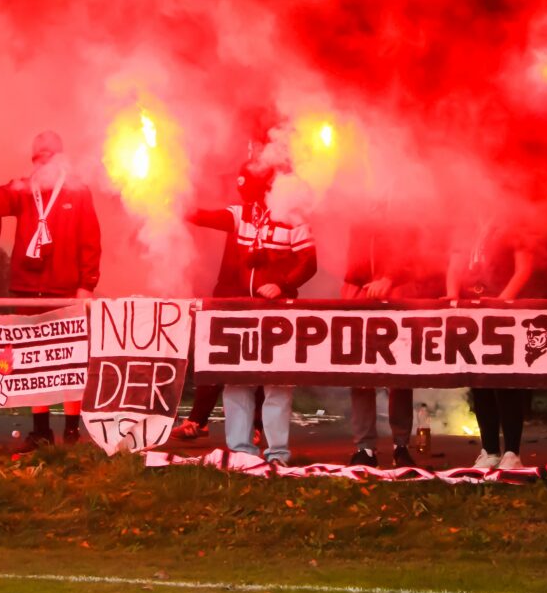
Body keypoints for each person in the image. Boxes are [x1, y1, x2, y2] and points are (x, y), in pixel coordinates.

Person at [182, 161, 316, 465]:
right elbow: (205, 217)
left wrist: (282, 285)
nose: (248, 200)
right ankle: (242, 452)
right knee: (235, 380)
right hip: (242, 310)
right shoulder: (243, 214)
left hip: (277, 312)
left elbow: (309, 263)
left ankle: (278, 454)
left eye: (253, 192)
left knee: (276, 383)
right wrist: (174, 203)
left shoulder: (294, 218)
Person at [0, 130, 100, 448]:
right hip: (26, 288)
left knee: (69, 360)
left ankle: (72, 429)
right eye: (37, 157)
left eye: (47, 156)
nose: (41, 162)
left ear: (60, 157)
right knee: (35, 360)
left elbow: (90, 241)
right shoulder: (23, 190)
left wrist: (86, 285)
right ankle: (41, 430)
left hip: (65, 289)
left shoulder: (77, 192)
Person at [447, 221, 547, 470]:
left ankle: (512, 452)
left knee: (505, 381)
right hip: (472, 311)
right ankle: (489, 449)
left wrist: (502, 302)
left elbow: (523, 269)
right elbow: (455, 265)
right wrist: (452, 299)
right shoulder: (466, 226)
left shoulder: (515, 224)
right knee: (479, 382)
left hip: (504, 312)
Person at [343, 215, 432, 468]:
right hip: (358, 295)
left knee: (400, 374)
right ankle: (365, 448)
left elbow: (416, 255)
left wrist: (390, 278)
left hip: (398, 295)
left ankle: (400, 446)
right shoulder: (357, 207)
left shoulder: (404, 206)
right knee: (360, 374)